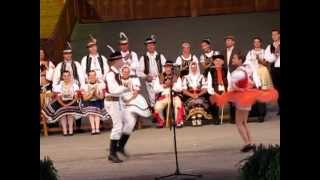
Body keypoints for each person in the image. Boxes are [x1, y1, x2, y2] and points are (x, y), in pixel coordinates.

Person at [210, 53, 278, 153]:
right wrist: (244, 88)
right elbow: (252, 83)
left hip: (242, 98)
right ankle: (250, 142)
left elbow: (234, 87)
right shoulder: (246, 69)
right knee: (244, 123)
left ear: (240, 60)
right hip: (247, 97)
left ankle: (247, 143)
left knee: (239, 123)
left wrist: (239, 89)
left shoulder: (237, 73)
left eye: (235, 58)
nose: (233, 59)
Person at [104, 46, 137, 163]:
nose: (122, 62)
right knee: (117, 126)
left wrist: (124, 90)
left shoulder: (116, 72)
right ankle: (112, 154)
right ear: (116, 61)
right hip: (112, 101)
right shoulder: (110, 74)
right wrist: (125, 87)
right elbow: (113, 90)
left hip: (118, 101)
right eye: (121, 60)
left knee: (130, 121)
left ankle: (120, 147)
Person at [53, 42, 85, 133]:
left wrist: (81, 89)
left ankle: (78, 127)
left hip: (75, 87)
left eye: (69, 53)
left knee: (78, 103)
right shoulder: (60, 66)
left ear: (71, 54)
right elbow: (55, 79)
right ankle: (65, 128)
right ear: (63, 55)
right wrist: (56, 90)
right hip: (63, 88)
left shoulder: (77, 64)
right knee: (62, 107)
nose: (68, 55)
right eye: (66, 54)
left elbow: (81, 77)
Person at [42, 71, 82, 136]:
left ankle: (71, 130)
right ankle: (65, 131)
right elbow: (58, 98)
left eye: (68, 76)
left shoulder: (75, 86)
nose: (66, 77)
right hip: (61, 102)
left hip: (72, 102)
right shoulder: (58, 86)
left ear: (70, 76)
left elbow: (76, 98)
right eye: (65, 76)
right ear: (62, 77)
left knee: (69, 112)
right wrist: (64, 105)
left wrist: (68, 105)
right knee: (62, 113)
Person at [245, 37, 273, 122]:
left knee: (261, 93)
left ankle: (262, 114)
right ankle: (255, 113)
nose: (256, 43)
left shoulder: (264, 51)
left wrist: (259, 59)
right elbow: (246, 63)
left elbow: (266, 63)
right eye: (255, 42)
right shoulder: (250, 52)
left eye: (258, 42)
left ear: (261, 43)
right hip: (253, 73)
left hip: (262, 72)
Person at [138, 34, 167, 108]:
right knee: (152, 100)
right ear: (146, 47)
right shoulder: (143, 58)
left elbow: (166, 67)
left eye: (152, 45)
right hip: (150, 82)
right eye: (149, 45)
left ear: (155, 46)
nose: (151, 47)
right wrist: (146, 76)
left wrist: (162, 75)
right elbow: (138, 72)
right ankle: (155, 116)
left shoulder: (160, 56)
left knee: (162, 98)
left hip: (160, 80)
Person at [153, 60, 184, 128]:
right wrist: (164, 86)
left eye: (169, 67)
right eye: (166, 67)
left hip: (174, 96)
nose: (168, 68)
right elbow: (155, 89)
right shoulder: (160, 76)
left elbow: (179, 88)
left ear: (172, 68)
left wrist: (172, 85)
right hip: (163, 97)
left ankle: (178, 121)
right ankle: (161, 121)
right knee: (157, 107)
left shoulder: (176, 76)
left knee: (178, 104)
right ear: (164, 68)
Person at [182, 61, 212, 126]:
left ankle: (199, 117)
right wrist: (192, 95)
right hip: (189, 96)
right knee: (192, 102)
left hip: (200, 95)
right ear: (190, 68)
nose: (194, 69)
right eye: (192, 68)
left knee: (199, 101)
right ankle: (193, 118)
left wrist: (198, 95)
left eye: (195, 67)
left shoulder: (202, 77)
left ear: (197, 68)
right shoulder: (186, 77)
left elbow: (205, 89)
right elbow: (184, 90)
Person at [81, 70, 109, 135]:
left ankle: (97, 129)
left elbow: (101, 97)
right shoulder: (84, 86)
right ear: (88, 77)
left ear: (96, 76)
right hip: (88, 102)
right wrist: (91, 95)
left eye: (94, 75)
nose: (92, 77)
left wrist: (95, 94)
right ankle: (93, 129)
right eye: (90, 75)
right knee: (91, 114)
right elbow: (85, 98)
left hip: (98, 102)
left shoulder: (100, 85)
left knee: (96, 114)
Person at [222, 35, 242, 123]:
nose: (227, 42)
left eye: (229, 40)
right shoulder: (223, 51)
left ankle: (238, 116)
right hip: (227, 75)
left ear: (233, 42)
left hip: (235, 74)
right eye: (226, 41)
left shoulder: (237, 51)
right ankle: (232, 116)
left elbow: (240, 62)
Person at [207, 51, 229, 124]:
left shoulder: (226, 70)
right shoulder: (211, 71)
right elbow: (209, 85)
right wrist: (214, 93)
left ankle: (234, 117)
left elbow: (230, 82)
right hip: (215, 91)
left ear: (223, 62)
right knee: (212, 98)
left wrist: (226, 92)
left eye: (220, 61)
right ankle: (216, 118)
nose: (218, 62)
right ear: (213, 62)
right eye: (216, 60)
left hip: (225, 91)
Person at [264, 29, 280, 115]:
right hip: (275, 70)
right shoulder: (269, 47)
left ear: (279, 35)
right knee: (277, 89)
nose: (274, 36)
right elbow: (268, 59)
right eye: (272, 35)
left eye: (275, 34)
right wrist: (275, 54)